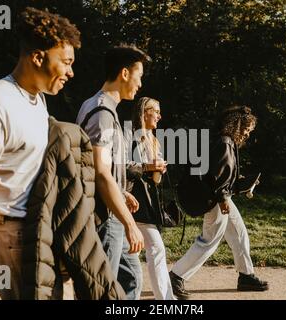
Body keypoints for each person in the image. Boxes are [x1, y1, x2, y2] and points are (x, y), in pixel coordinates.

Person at [0, 7, 81, 300]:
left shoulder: (37, 102)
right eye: (65, 62)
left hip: (34, 234)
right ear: (37, 57)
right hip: (0, 238)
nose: (71, 72)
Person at [169, 106, 269, 300]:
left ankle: (246, 276)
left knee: (238, 233)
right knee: (209, 240)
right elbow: (215, 177)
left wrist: (241, 183)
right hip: (216, 200)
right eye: (247, 129)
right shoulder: (224, 142)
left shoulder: (223, 141)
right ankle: (176, 276)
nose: (248, 133)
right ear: (237, 125)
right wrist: (223, 200)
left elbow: (221, 174)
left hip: (220, 197)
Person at [76, 45, 150, 300]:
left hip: (112, 207)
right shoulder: (102, 113)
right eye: (139, 76)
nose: (140, 84)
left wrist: (121, 191)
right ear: (125, 73)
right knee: (104, 289)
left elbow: (101, 168)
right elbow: (100, 172)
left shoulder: (96, 105)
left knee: (131, 278)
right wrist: (130, 224)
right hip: (105, 217)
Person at [126, 97, 175, 300]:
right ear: (144, 112)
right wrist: (148, 167)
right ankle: (165, 300)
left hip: (146, 201)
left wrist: (159, 169)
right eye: (156, 111)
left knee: (131, 252)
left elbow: (152, 178)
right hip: (133, 200)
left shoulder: (153, 139)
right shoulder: (130, 136)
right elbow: (122, 166)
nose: (159, 116)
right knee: (155, 248)